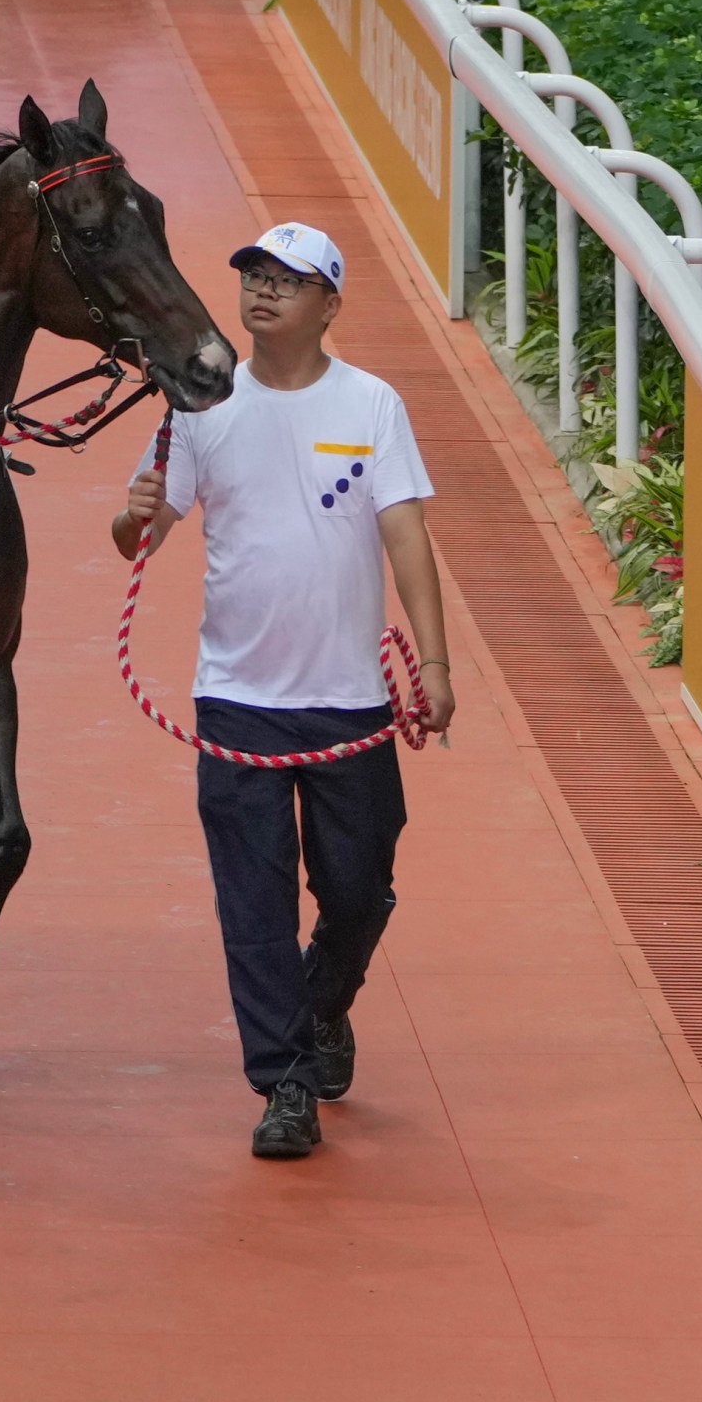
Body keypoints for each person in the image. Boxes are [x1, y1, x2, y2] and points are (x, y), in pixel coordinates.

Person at [111, 225, 455, 1159]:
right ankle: (286, 1082)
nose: (263, 294)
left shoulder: (372, 403)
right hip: (237, 701)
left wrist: (434, 664)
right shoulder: (200, 405)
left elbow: (407, 535)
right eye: (254, 278)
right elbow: (141, 537)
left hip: (349, 702)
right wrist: (129, 516)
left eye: (288, 283)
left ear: (330, 305)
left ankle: (325, 1002)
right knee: (252, 904)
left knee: (358, 889)